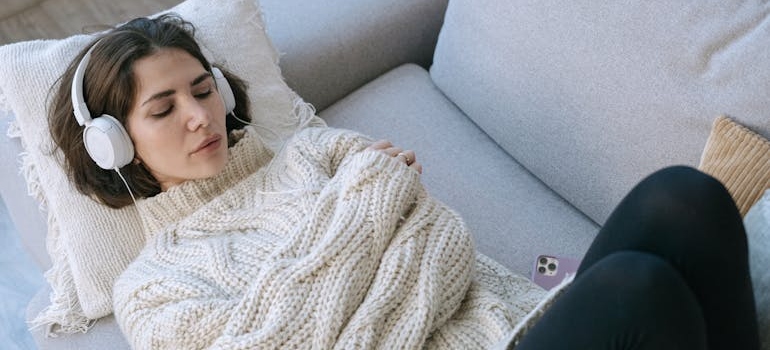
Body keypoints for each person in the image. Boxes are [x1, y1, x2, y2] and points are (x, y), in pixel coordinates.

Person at [48, 14, 759, 350]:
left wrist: (346, 293)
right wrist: (373, 205)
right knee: (640, 288)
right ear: (116, 144)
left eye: (203, 90)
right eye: (164, 109)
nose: (199, 118)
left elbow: (447, 242)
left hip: (520, 320)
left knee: (684, 198)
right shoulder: (151, 287)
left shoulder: (312, 156)